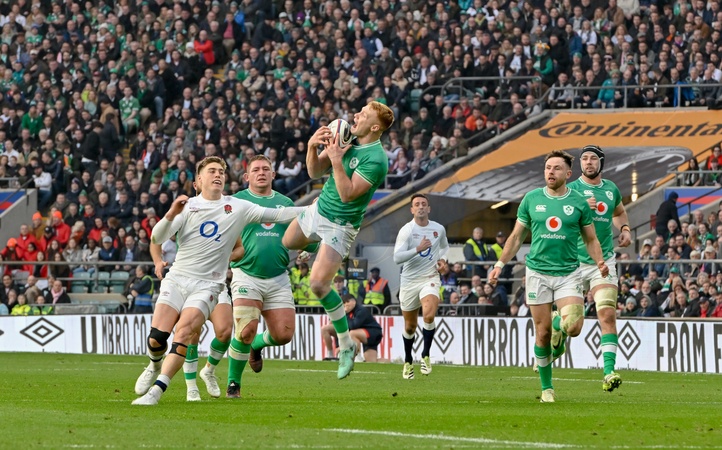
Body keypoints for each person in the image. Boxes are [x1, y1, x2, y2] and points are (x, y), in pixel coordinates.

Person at [132, 156, 304, 406]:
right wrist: (170, 214)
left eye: (221, 172)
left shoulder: (237, 207)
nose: (218, 175)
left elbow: (279, 214)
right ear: (199, 180)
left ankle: (157, 392)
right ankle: (154, 364)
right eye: (212, 171)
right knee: (157, 338)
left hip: (208, 286)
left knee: (186, 332)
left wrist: (316, 208)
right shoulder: (188, 206)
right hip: (177, 279)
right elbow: (157, 238)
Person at [282, 101, 394, 380]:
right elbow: (314, 173)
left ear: (375, 127)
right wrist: (312, 147)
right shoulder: (346, 136)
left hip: (340, 225)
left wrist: (334, 158)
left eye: (363, 115)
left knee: (318, 285)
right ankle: (313, 246)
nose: (356, 115)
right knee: (288, 242)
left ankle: (345, 345)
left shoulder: (376, 159)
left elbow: (347, 194)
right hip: (319, 209)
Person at [489, 150, 608, 403]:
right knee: (541, 334)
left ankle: (558, 326)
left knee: (574, 327)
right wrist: (500, 264)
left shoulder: (578, 202)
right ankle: (547, 389)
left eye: (556, 168)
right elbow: (516, 237)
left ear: (568, 173)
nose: (550, 172)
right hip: (538, 273)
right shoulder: (531, 199)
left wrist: (599, 261)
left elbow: (590, 239)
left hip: (569, 272)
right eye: (547, 168)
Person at [222, 155, 318, 399]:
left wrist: (309, 247)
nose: (261, 173)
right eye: (256, 170)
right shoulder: (236, 201)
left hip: (278, 277)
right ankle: (233, 384)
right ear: (247, 177)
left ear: (274, 175)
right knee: (245, 330)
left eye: (266, 169)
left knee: (283, 335)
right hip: (246, 274)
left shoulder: (285, 202)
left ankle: (256, 345)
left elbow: (302, 234)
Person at [567, 145, 632, 392]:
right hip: (572, 262)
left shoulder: (611, 189)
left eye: (593, 158)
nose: (588, 162)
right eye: (584, 158)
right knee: (572, 325)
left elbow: (619, 212)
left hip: (602, 262)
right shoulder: (570, 190)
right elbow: (561, 223)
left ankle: (608, 372)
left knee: (607, 314)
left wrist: (624, 229)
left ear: (601, 163)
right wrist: (582, 208)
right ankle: (556, 331)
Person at [392, 194, 449, 379]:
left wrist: (442, 260)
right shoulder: (407, 231)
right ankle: (408, 360)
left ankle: (425, 355)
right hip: (409, 281)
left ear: (429, 208)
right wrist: (418, 248)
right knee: (410, 327)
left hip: (429, 277)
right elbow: (397, 258)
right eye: (417, 204)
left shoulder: (438, 229)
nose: (421, 207)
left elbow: (445, 247)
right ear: (412, 210)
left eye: (424, 204)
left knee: (429, 315)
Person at [321, 294, 383, 363]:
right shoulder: (345, 311)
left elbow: (354, 326)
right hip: (363, 333)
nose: (346, 305)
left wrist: (344, 314)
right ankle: (330, 355)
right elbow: (339, 329)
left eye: (348, 302)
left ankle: (358, 357)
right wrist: (338, 346)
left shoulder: (361, 310)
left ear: (354, 301)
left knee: (353, 333)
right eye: (344, 303)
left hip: (372, 332)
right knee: (371, 362)